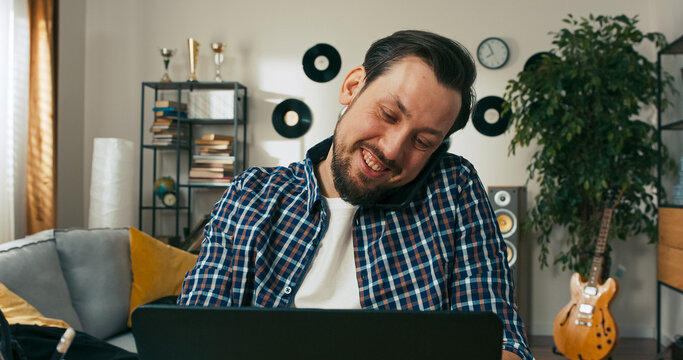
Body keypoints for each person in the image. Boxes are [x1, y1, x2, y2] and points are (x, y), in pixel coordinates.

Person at [179, 30, 532, 360]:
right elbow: (193, 336)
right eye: (388, 114)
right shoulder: (252, 195)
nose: (393, 150)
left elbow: (498, 339)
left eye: (422, 142)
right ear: (352, 86)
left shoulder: (453, 188)